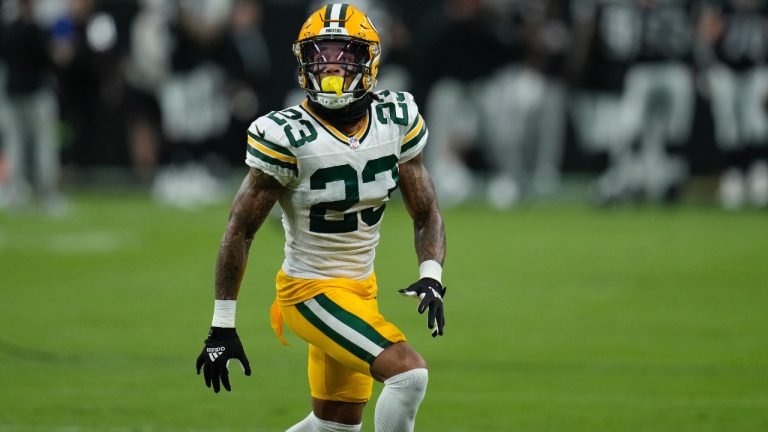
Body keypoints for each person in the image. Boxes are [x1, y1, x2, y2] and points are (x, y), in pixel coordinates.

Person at [194, 4, 447, 432]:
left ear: (370, 61)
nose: (330, 66)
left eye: (343, 55)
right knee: (408, 374)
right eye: (320, 54)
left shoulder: (395, 118)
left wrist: (431, 273)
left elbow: (425, 211)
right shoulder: (287, 134)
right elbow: (239, 229)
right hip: (309, 292)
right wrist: (222, 325)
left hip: (359, 289)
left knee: (335, 426)